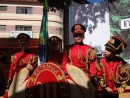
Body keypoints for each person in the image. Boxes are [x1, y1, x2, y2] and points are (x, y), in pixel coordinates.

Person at [3, 33, 38, 98]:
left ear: (28, 44)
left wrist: (32, 70)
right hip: (16, 82)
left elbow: (36, 74)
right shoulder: (16, 56)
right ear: (19, 44)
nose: (23, 46)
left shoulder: (33, 56)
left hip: (27, 83)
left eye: (25, 44)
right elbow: (11, 73)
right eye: (22, 44)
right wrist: (8, 87)